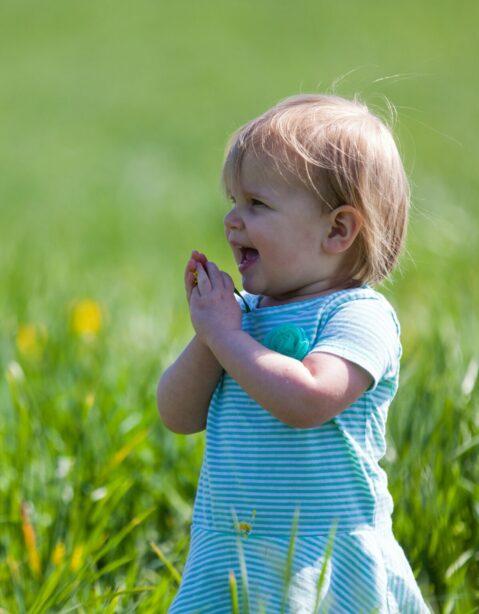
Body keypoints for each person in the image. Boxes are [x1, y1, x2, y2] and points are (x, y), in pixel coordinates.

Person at [157, 94, 430, 613]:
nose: (233, 220)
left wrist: (229, 337)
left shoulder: (357, 316)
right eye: (233, 201)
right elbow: (176, 414)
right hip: (231, 553)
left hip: (324, 558)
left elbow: (308, 398)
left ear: (337, 230)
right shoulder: (242, 318)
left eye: (256, 204)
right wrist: (211, 334)